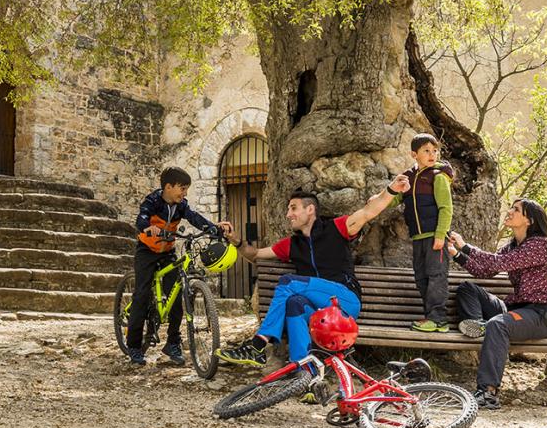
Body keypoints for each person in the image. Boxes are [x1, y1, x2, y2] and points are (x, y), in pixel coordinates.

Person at [214, 178, 409, 369]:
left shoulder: (337, 228)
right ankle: (306, 376)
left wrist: (392, 189)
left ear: (310, 209)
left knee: (288, 282)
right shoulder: (292, 244)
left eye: (293, 208)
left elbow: (368, 212)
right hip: (318, 312)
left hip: (344, 302)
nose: (288, 214)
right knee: (293, 304)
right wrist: (235, 240)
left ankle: (256, 345)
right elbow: (255, 255)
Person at [447, 197, 547, 410]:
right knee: (467, 288)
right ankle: (479, 324)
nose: (509, 211)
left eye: (516, 209)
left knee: (498, 324)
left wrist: (465, 246)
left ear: (529, 220)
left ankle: (488, 393)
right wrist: (456, 254)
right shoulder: (510, 246)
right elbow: (485, 271)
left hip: (537, 315)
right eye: (511, 207)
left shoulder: (540, 245)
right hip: (513, 310)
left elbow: (498, 263)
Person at [126, 167, 233, 366]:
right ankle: (133, 347)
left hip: (167, 252)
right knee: (141, 295)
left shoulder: (180, 205)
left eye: (186, 189)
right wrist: (147, 228)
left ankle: (172, 343)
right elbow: (141, 219)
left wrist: (213, 229)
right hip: (147, 252)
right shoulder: (152, 201)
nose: (184, 193)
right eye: (182, 189)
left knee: (176, 298)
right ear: (168, 187)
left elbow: (194, 218)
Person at [388, 133, 455, 332]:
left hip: (435, 236)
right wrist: (380, 198)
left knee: (436, 275)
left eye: (435, 151)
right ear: (414, 154)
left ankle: (438, 320)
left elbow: (446, 208)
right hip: (418, 236)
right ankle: (431, 318)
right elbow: (396, 199)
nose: (432, 154)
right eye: (426, 151)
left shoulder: (438, 176)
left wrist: (440, 235)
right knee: (421, 276)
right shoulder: (409, 177)